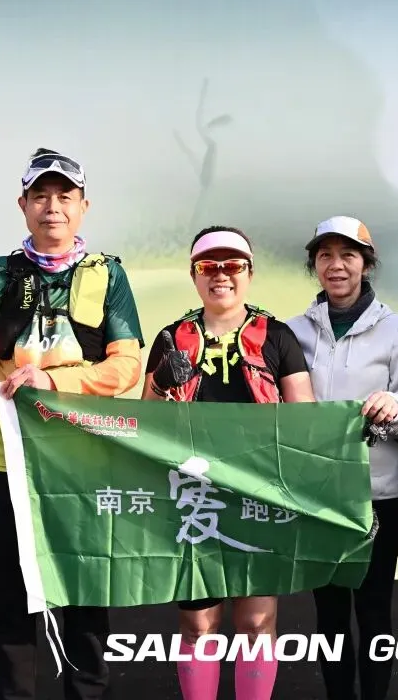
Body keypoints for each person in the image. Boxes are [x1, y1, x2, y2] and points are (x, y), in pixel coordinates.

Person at [0, 148, 145, 699]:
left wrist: (53, 381)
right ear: (23, 204)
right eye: (40, 196)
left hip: (84, 459)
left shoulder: (107, 274)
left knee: (84, 592)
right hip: (5, 459)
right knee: (10, 599)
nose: (52, 207)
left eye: (65, 196)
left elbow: (127, 367)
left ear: (83, 207)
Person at [142, 225, 315, 700]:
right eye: (209, 266)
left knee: (256, 622)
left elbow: (306, 420)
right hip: (193, 497)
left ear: (249, 273)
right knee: (198, 624)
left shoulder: (277, 336)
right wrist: (160, 382)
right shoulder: (171, 337)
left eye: (233, 265)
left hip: (259, 495)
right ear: (194, 275)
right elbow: (146, 423)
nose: (221, 275)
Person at [285, 216, 398, 700]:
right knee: (328, 615)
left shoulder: (396, 330)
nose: (336, 265)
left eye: (348, 255)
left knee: (374, 609)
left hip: (377, 493)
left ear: (367, 264)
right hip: (318, 496)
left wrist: (395, 408)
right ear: (314, 265)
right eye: (325, 255)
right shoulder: (293, 331)